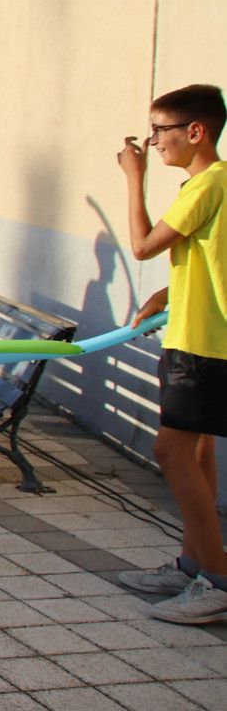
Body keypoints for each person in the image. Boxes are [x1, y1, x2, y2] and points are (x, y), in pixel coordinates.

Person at [115, 83, 227, 624]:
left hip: (204, 347)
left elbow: (141, 246)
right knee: (197, 453)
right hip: (195, 336)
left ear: (196, 132)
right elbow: (207, 261)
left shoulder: (205, 184)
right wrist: (168, 292)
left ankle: (218, 579)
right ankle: (191, 565)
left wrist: (133, 180)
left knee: (171, 452)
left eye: (161, 131)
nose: (154, 141)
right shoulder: (215, 186)